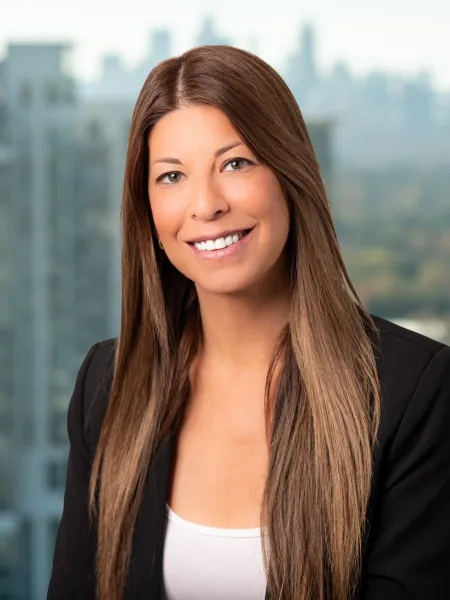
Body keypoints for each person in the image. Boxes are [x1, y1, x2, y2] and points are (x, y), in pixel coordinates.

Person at [47, 45, 450, 600]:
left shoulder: (415, 392)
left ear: (289, 174)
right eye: (171, 176)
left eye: (235, 164)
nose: (205, 204)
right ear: (146, 207)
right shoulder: (107, 382)